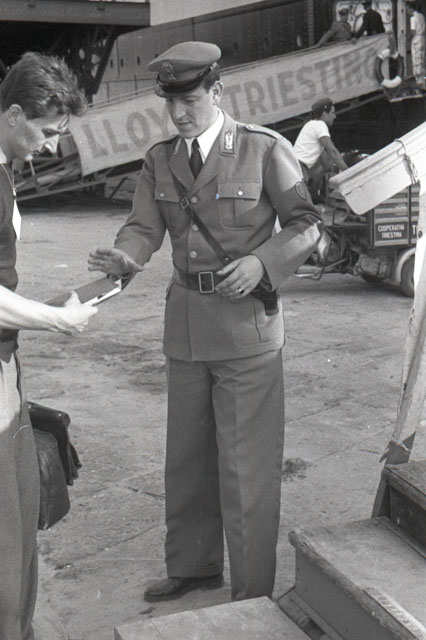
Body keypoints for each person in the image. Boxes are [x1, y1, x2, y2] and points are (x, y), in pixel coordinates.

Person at [88, 41, 323, 602]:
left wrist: (262, 262)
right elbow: (142, 228)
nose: (178, 114)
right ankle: (194, 566)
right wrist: (127, 257)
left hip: (246, 332)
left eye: (189, 101)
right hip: (187, 331)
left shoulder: (263, 149)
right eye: (170, 103)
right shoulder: (159, 159)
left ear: (217, 92)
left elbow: (307, 225)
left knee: (246, 470)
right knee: (188, 461)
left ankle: (251, 592)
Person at [0, 52, 98, 640]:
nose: (54, 145)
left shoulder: (5, 167)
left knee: (17, 521)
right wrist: (55, 320)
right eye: (48, 131)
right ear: (14, 115)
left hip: (5, 361)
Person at [293, 97, 348, 203]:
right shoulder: (320, 125)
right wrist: (347, 172)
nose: (335, 116)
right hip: (299, 168)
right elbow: (332, 151)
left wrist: (332, 170)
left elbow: (325, 163)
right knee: (302, 204)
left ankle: (314, 197)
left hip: (296, 166)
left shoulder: (310, 125)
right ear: (324, 114)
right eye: (332, 113)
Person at [407, 0, 426, 90]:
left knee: (416, 59)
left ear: (410, 8)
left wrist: (408, 37)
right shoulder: (421, 16)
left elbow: (413, 31)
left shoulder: (413, 18)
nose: (407, 12)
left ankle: (419, 81)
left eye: (407, 9)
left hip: (416, 39)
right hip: (422, 37)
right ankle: (424, 79)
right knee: (422, 58)